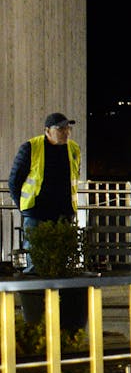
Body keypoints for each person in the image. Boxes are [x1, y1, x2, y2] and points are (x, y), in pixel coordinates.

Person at [9, 112, 82, 273]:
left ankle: (55, 297)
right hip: (37, 213)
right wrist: (24, 208)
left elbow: (75, 177)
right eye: (60, 129)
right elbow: (14, 181)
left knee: (61, 261)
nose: (65, 132)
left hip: (64, 213)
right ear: (47, 130)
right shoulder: (31, 147)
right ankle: (35, 295)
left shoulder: (74, 149)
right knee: (35, 259)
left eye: (67, 128)